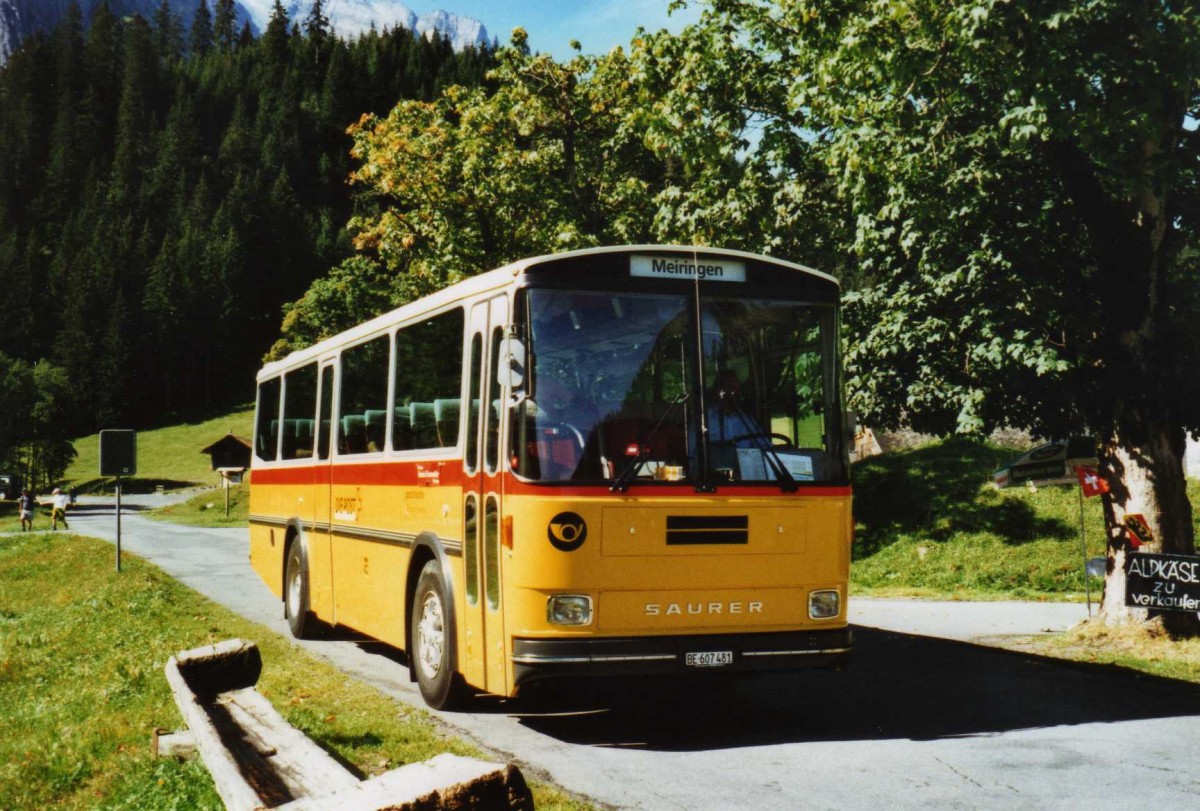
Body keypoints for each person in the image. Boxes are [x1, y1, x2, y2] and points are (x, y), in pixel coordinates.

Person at [706, 371, 763, 446]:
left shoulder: (746, 419)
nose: (735, 392)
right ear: (718, 391)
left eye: (737, 388)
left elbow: (764, 446)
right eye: (730, 387)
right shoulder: (705, 419)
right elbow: (692, 452)